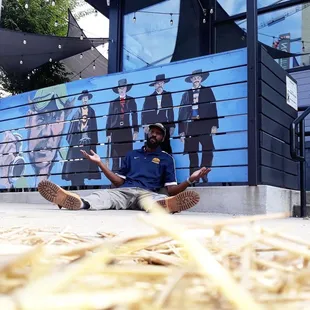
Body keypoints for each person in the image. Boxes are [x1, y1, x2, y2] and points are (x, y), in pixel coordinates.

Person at [38, 123, 210, 213]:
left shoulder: (166, 159)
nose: (154, 135)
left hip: (147, 193)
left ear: (162, 138)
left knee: (154, 202)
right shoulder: (131, 154)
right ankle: (80, 203)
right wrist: (99, 163)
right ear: (148, 134)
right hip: (124, 191)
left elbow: (171, 190)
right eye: (152, 132)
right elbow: (117, 181)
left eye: (158, 133)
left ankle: (167, 207)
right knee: (104, 196)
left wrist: (190, 179)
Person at [26, 86, 75, 186]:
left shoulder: (68, 168)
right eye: (41, 119)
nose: (47, 133)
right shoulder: (14, 173)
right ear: (28, 120)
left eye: (56, 119)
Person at [178, 69, 218, 182]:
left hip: (204, 124)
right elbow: (181, 112)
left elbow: (213, 107)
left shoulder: (207, 91)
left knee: (208, 149)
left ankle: (204, 173)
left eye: (198, 77)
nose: (196, 79)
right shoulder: (186, 94)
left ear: (201, 79)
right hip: (190, 126)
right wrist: (181, 131)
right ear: (191, 80)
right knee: (192, 152)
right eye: (194, 78)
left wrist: (214, 125)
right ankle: (194, 177)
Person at [62, 90, 101, 186]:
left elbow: (94, 127)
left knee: (87, 163)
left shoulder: (91, 111)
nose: (85, 100)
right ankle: (76, 182)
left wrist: (94, 141)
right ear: (81, 100)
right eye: (83, 98)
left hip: (88, 142)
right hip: (78, 142)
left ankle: (83, 180)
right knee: (76, 163)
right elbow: (73, 127)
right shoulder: (77, 113)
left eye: (86, 98)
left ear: (88, 99)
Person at [106, 78, 138, 172]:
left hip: (127, 131)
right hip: (115, 132)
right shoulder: (113, 103)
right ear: (118, 89)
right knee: (115, 157)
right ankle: (114, 180)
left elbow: (134, 115)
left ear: (126, 88)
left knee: (126, 157)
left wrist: (135, 130)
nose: (122, 89)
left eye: (123, 87)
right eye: (120, 87)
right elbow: (109, 118)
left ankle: (125, 179)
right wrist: (108, 133)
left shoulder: (131, 100)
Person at [141, 74, 175, 154]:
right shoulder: (149, 97)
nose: (159, 85)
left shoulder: (168, 95)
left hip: (164, 124)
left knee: (165, 145)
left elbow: (170, 111)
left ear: (163, 84)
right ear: (154, 85)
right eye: (158, 83)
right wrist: (145, 125)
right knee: (150, 144)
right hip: (151, 124)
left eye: (161, 83)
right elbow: (144, 112)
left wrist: (172, 125)